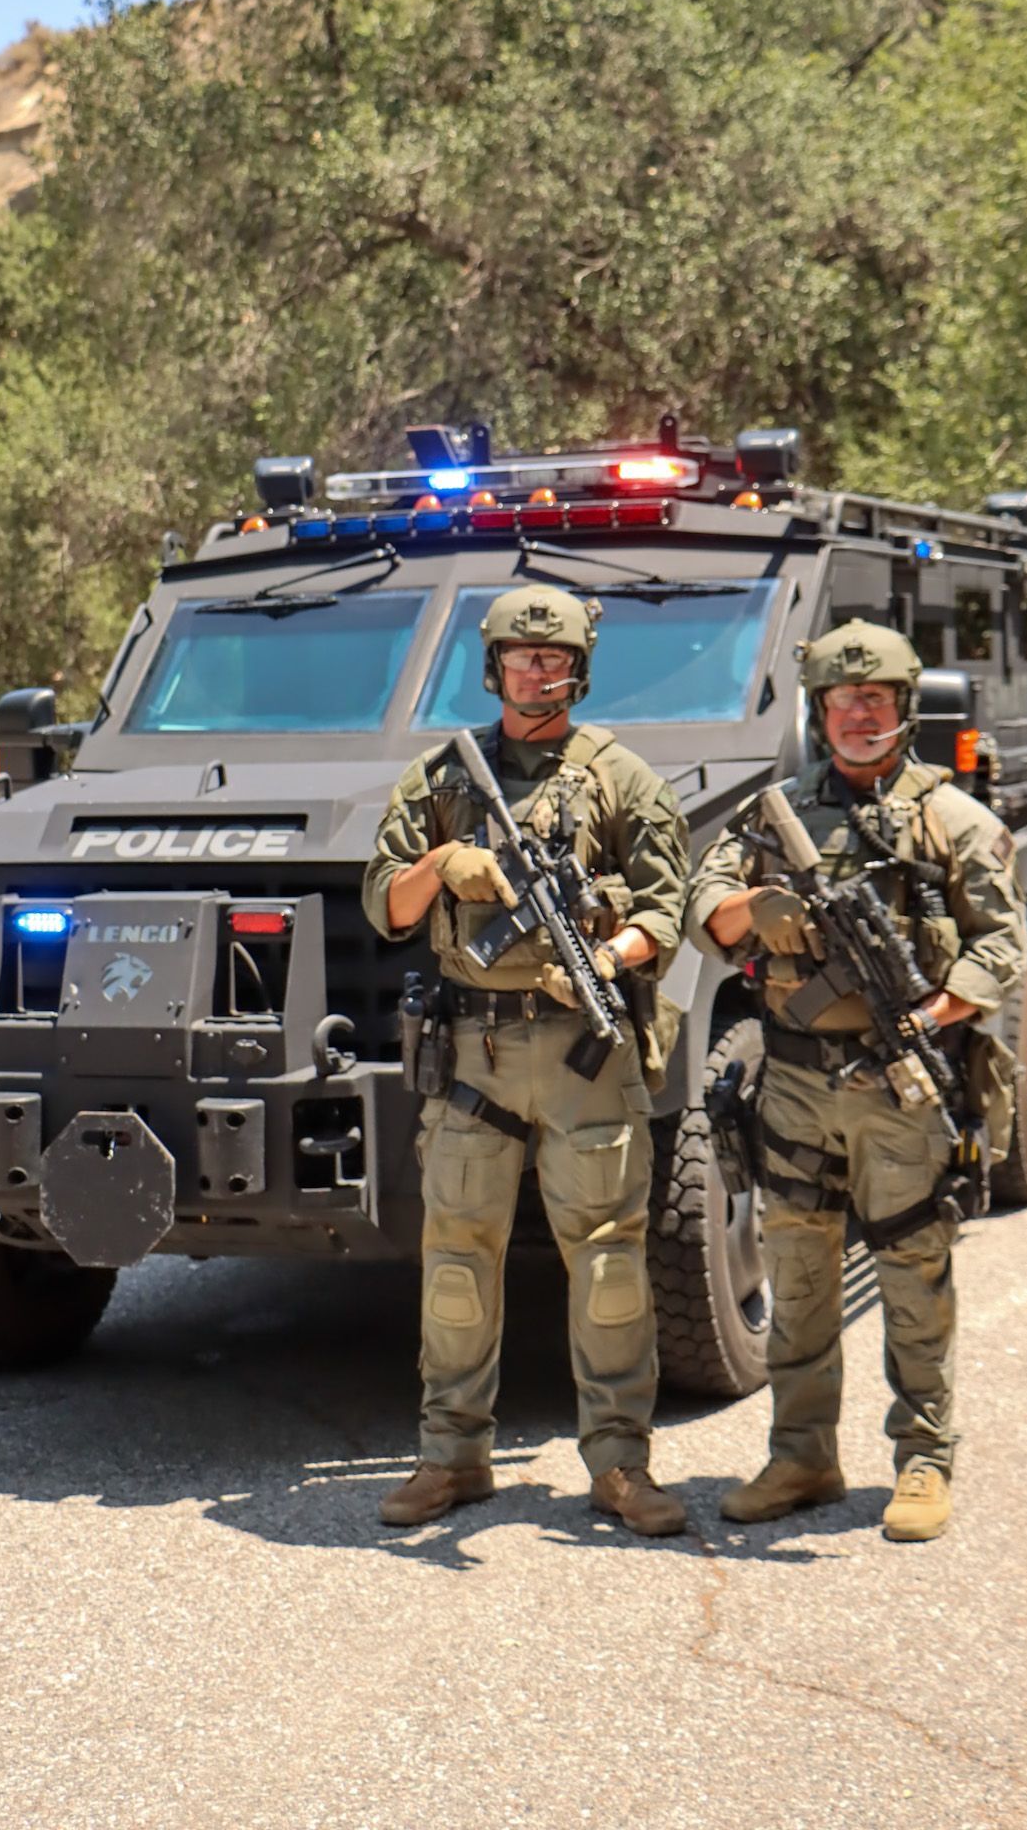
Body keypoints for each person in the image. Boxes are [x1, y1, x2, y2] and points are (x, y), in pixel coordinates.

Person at [687, 619, 1027, 1542]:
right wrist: (751, 909)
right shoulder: (778, 814)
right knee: (798, 1277)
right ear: (820, 712)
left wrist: (931, 1013)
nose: (857, 715)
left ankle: (922, 1459)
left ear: (904, 708)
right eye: (841, 701)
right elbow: (702, 914)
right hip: (795, 1082)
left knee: (913, 1271)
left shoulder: (951, 819)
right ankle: (802, 1455)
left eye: (874, 699)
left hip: (898, 1083)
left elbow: (1002, 944)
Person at [363, 584, 689, 1537]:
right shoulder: (438, 781)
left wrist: (607, 956)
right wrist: (445, 865)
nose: (534, 671)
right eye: (518, 656)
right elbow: (386, 905)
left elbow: (666, 916)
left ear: (577, 669)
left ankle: (620, 1466)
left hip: (586, 1051)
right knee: (458, 1259)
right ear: (494, 664)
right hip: (474, 1050)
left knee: (608, 1261)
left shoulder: (624, 780)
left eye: (551, 660)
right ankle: (451, 1458)